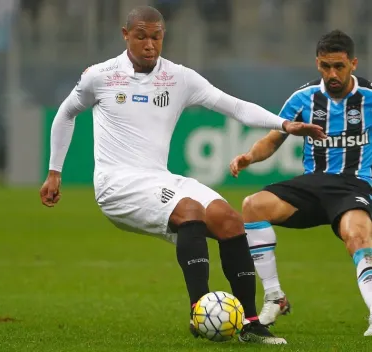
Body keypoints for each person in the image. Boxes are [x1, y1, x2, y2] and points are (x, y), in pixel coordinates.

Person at [40, 6, 325, 344]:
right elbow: (66, 113)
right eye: (141, 36)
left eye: (156, 37)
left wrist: (284, 125)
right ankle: (199, 314)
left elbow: (233, 106)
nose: (149, 44)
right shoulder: (100, 76)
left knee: (229, 218)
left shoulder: (179, 78)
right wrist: (54, 171)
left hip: (159, 177)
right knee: (189, 209)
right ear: (125, 35)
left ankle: (250, 323)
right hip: (116, 183)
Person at [229, 30, 372, 336]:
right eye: (325, 67)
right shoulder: (303, 98)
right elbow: (272, 139)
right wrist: (249, 157)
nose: (332, 74)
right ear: (317, 63)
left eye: (339, 67)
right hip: (312, 185)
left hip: (354, 185)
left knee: (358, 239)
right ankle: (275, 297)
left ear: (353, 64)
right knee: (252, 206)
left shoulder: (370, 98)